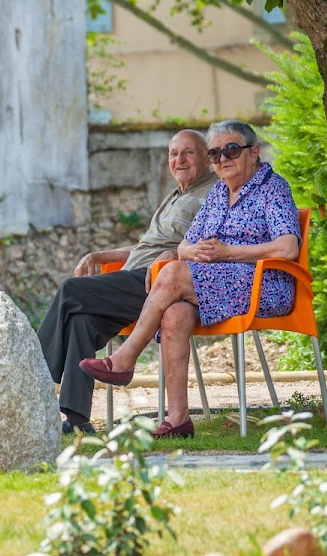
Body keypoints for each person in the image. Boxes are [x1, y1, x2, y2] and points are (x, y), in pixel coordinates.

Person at [80, 120, 300, 438]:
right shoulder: (217, 194)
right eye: (215, 153)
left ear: (254, 152)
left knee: (171, 273)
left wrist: (227, 252)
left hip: (262, 284)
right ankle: (178, 420)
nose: (223, 158)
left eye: (232, 150)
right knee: (175, 313)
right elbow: (184, 245)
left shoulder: (272, 189)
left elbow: (288, 247)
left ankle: (126, 358)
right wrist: (190, 250)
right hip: (215, 285)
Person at [39, 129, 218, 433]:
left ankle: (33, 377)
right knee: (82, 320)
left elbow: (204, 246)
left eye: (188, 152)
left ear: (206, 157)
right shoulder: (177, 194)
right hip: (131, 279)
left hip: (158, 283)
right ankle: (78, 418)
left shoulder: (214, 194)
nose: (179, 160)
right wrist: (99, 255)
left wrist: (172, 256)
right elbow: (145, 246)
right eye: (173, 154)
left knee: (71, 290)